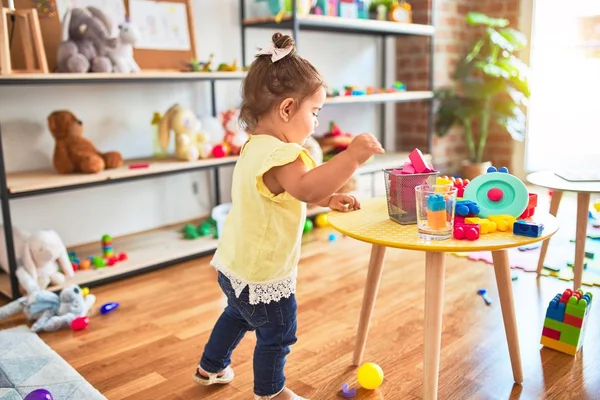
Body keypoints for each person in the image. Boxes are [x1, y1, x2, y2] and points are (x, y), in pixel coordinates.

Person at [194, 32, 384, 400]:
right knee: (277, 334)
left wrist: (328, 199)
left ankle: (210, 367)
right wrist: (352, 157)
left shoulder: (255, 147)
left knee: (236, 315)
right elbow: (304, 187)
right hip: (264, 274)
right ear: (286, 109)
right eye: (314, 112)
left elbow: (287, 193)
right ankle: (271, 392)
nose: (315, 123)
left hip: (234, 265)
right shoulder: (285, 156)